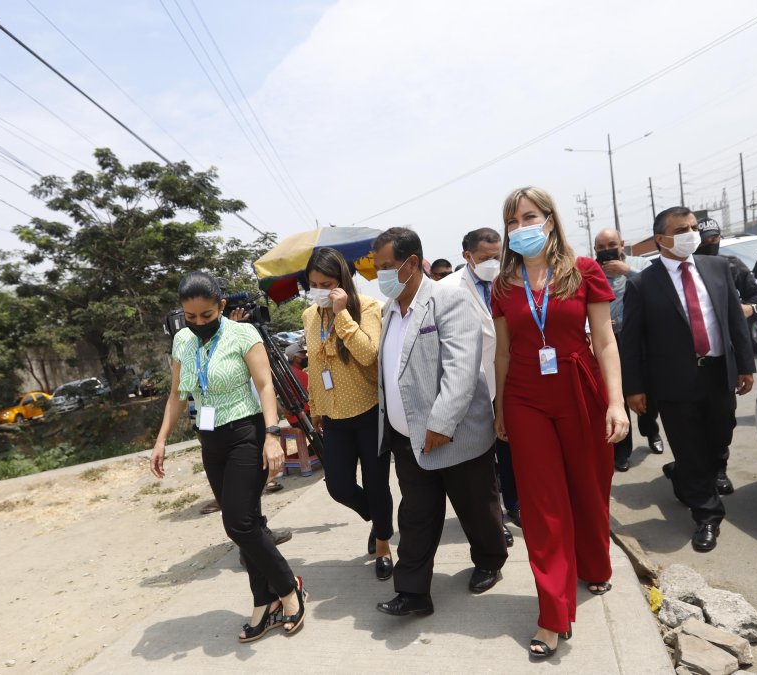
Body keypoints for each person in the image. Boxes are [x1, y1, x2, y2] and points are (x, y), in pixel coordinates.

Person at [492, 188, 628, 660]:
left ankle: (594, 561)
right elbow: (503, 352)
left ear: (550, 221)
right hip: (526, 397)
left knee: (589, 485)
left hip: (579, 384)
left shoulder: (584, 271)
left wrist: (617, 404)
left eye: (529, 217)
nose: (521, 227)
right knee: (542, 503)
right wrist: (500, 409)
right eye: (513, 221)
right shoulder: (503, 285)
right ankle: (553, 613)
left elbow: (606, 342)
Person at [150, 272, 307, 644]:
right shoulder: (183, 342)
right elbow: (177, 395)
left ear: (221, 306)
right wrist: (160, 441)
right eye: (191, 318)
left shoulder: (243, 334)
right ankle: (263, 602)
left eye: (206, 315)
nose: (199, 324)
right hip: (210, 440)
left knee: (238, 523)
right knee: (246, 522)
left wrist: (272, 436)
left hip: (246, 434)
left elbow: (266, 385)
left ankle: (289, 588)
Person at [372, 227, 508, 620]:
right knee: (416, 516)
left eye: (386, 266)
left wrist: (441, 424)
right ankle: (413, 593)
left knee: (476, 508)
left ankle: (489, 559)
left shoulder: (450, 300)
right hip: (408, 438)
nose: (380, 275)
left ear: (412, 263)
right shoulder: (388, 310)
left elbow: (462, 370)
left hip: (454, 434)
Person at [620, 207, 755, 555]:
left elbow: (733, 321)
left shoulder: (717, 268)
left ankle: (682, 475)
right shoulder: (642, 283)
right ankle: (707, 515)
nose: (691, 234)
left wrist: (744, 365)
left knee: (720, 435)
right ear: (661, 239)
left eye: (693, 227)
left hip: (717, 371)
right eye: (682, 229)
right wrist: (633, 388)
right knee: (690, 446)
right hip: (673, 381)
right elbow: (632, 341)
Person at [300, 248, 394, 581]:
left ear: (342, 281)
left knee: (376, 482)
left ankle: (383, 544)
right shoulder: (309, 315)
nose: (319, 290)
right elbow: (315, 365)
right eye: (313, 284)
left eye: (326, 283)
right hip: (334, 417)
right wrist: (317, 408)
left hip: (368, 411)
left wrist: (342, 315)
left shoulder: (368, 306)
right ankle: (382, 520)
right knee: (338, 486)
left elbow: (369, 354)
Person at [439, 226, 518, 544]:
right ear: (467, 256)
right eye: (486, 258)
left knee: (510, 452)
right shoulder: (445, 290)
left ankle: (515, 506)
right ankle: (493, 521)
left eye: (499, 256)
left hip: (510, 380)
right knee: (481, 462)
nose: (494, 263)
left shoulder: (512, 281)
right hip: (470, 387)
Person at [694, 218, 757, 494]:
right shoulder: (683, 273)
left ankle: (719, 468)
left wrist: (749, 308)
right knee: (693, 424)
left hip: (726, 358)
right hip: (691, 360)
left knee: (723, 420)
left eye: (714, 239)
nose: (709, 244)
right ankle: (696, 471)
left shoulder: (731, 266)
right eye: (704, 240)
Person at [592, 228, 658, 472]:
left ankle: (652, 432)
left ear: (621, 244)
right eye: (601, 247)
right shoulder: (591, 271)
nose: (606, 250)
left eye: (611, 244)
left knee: (646, 391)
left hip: (640, 339)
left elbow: (658, 285)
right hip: (609, 341)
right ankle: (622, 451)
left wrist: (627, 271)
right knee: (615, 394)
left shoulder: (640, 263)